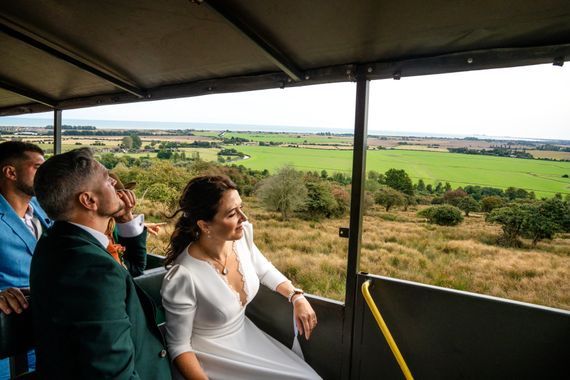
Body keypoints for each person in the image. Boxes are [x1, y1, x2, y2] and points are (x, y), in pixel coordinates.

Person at [161, 175, 322, 380]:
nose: (243, 218)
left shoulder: (242, 235)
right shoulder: (183, 276)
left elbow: (263, 269)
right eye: (231, 214)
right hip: (211, 357)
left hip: (247, 338)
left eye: (241, 208)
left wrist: (296, 296)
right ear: (204, 225)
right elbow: (179, 345)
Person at [30, 148, 171, 379]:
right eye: (107, 179)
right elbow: (112, 372)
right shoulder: (91, 268)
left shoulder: (57, 239)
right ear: (88, 200)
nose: (116, 183)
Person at [0, 141, 51, 379]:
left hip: (42, 331)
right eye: (38, 167)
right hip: (7, 338)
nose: (45, 175)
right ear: (10, 172)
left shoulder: (40, 209)